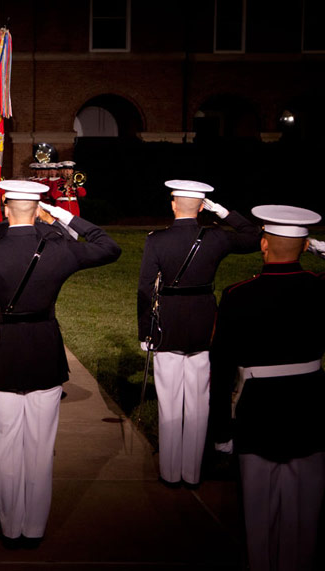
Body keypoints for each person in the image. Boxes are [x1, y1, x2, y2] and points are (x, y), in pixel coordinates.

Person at [0, 180, 121, 548]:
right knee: (40, 446)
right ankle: (34, 528)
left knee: (5, 447)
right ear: (39, 210)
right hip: (45, 352)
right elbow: (108, 247)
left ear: (5, 209)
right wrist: (66, 217)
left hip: (4, 355)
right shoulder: (60, 250)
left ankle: (10, 527)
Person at [209, 205, 325, 571]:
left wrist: (221, 429)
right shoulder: (318, 290)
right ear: (306, 245)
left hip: (258, 411)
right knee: (306, 519)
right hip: (310, 408)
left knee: (256, 518)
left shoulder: (238, 295)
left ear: (263, 244)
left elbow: (222, 366)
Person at [137, 180, 261, 488]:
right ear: (202, 207)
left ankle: (170, 471)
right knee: (197, 401)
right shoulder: (216, 237)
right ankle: (192, 473)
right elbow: (254, 237)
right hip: (204, 324)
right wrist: (224, 213)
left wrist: (146, 330)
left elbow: (144, 289)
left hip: (168, 324)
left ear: (173, 204)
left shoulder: (157, 240)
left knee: (169, 401)